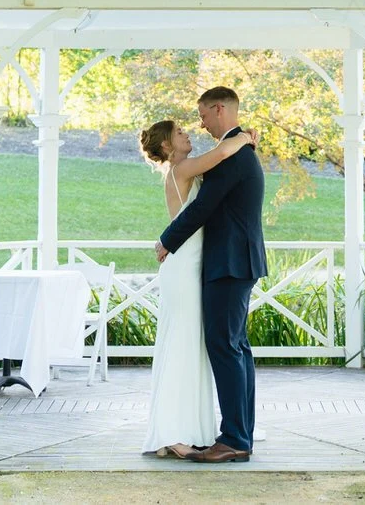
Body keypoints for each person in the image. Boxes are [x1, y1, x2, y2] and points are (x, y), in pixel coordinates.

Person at [153, 86, 267, 463]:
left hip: (228, 263)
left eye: (202, 116)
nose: (198, 124)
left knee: (226, 346)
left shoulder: (234, 152)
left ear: (219, 108)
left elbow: (203, 205)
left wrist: (166, 240)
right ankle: (239, 433)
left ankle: (235, 437)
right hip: (225, 261)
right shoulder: (235, 149)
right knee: (233, 347)